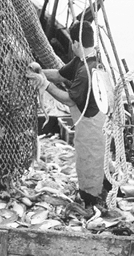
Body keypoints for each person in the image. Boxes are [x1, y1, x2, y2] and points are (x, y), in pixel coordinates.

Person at [33, 20, 106, 208]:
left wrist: (43, 84)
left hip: (91, 126)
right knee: (99, 161)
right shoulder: (85, 60)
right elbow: (59, 74)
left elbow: (68, 100)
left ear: (75, 44)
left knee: (89, 164)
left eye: (72, 44)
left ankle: (92, 202)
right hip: (95, 121)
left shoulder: (86, 71)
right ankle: (105, 189)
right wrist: (39, 72)